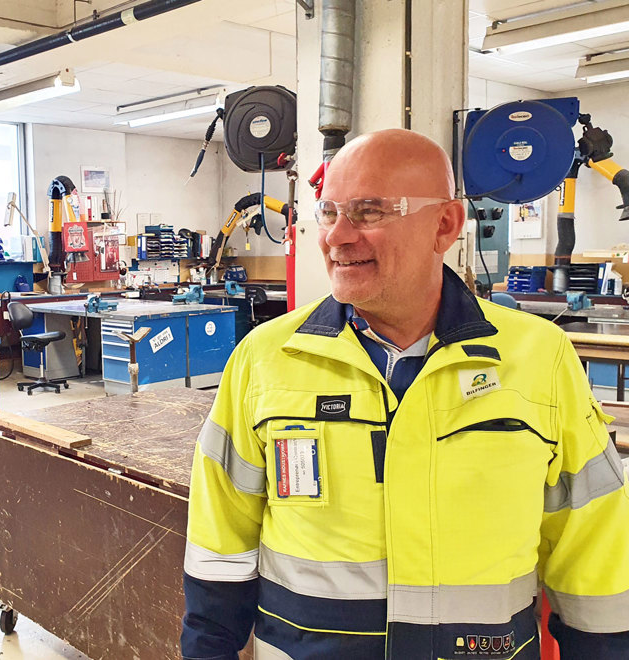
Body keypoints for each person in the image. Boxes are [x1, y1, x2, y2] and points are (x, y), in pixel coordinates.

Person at [181, 128, 629, 659]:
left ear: (446, 225)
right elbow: (219, 544)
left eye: (369, 212)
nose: (336, 236)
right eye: (329, 212)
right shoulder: (266, 359)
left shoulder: (539, 360)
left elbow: (593, 548)